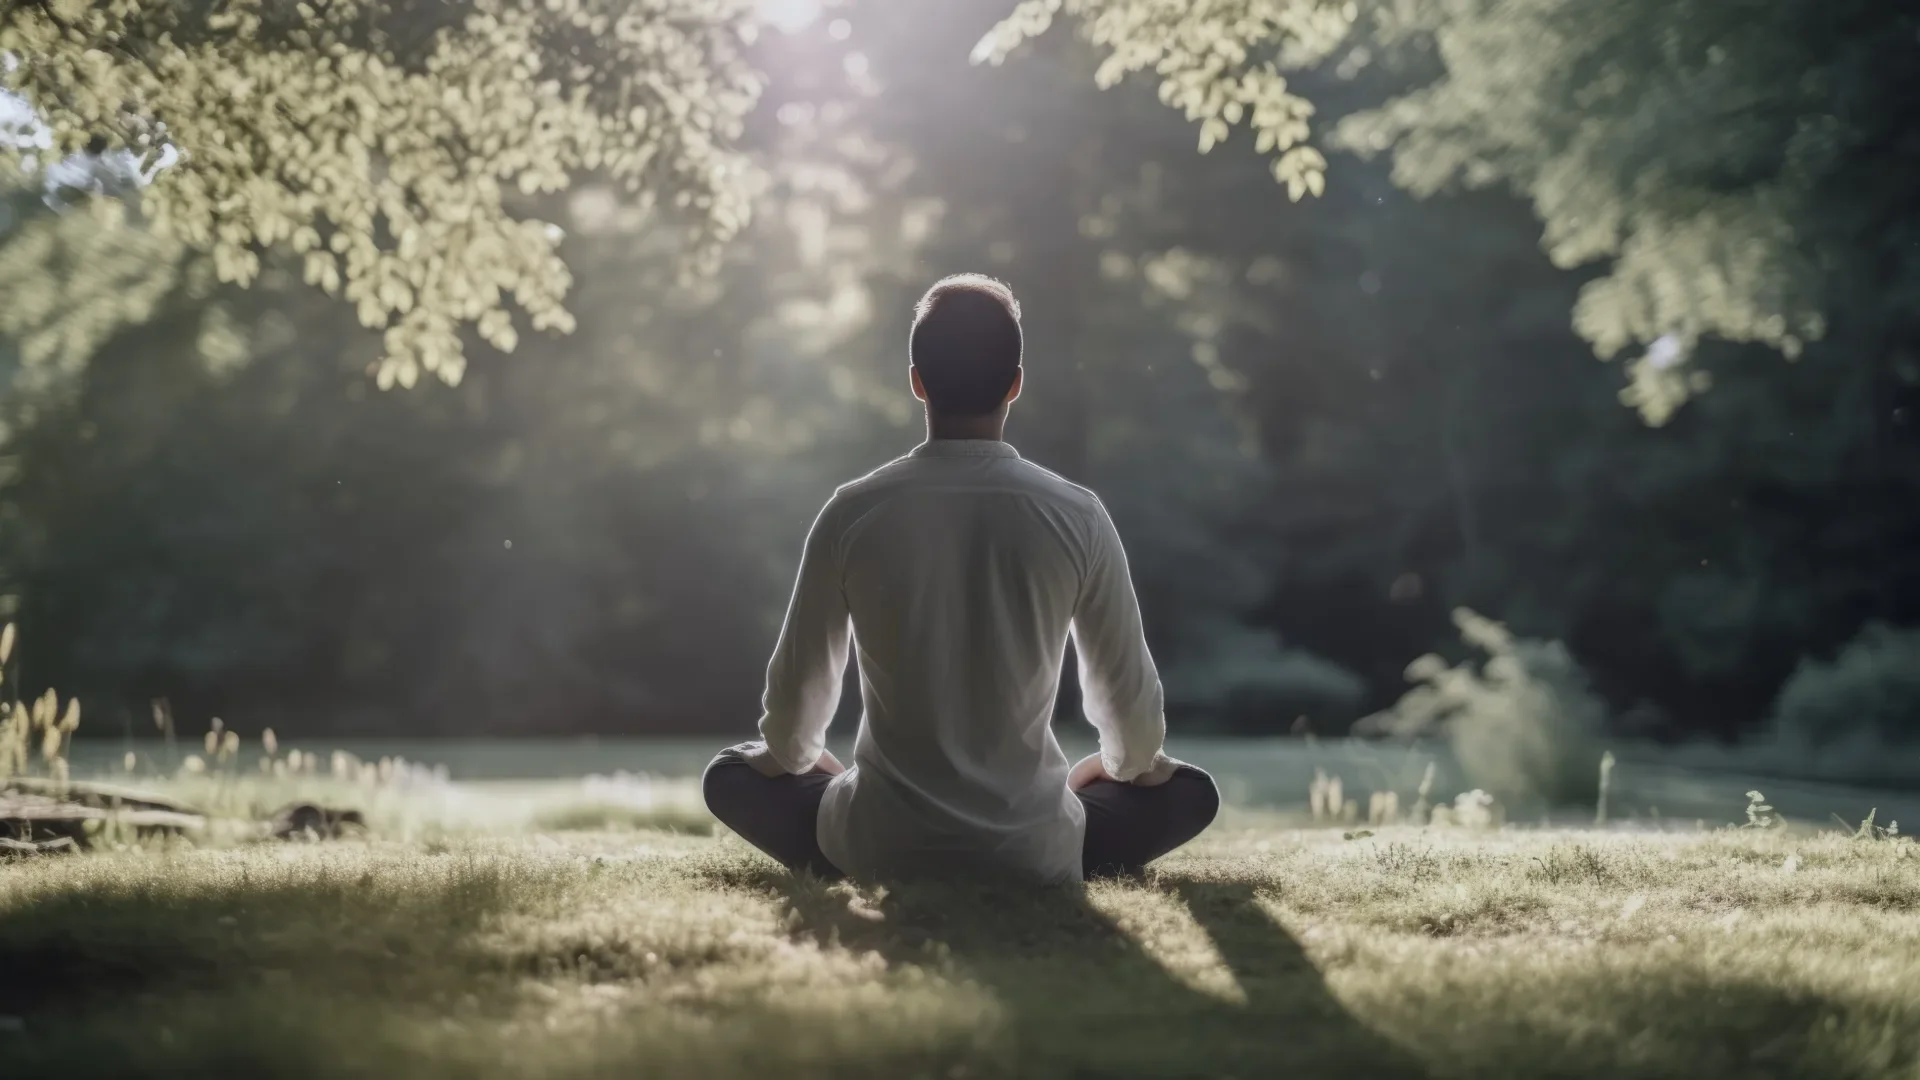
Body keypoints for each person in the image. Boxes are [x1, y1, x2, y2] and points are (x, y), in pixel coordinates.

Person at [702, 273, 1219, 883]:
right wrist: (1114, 768)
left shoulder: (852, 511)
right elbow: (1133, 728)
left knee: (730, 775)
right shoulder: (1078, 515)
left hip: (879, 841)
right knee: (1189, 791)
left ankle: (877, 840)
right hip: (1035, 845)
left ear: (917, 382)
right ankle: (1036, 848)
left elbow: (791, 732)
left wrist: (813, 768)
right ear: (1016, 385)